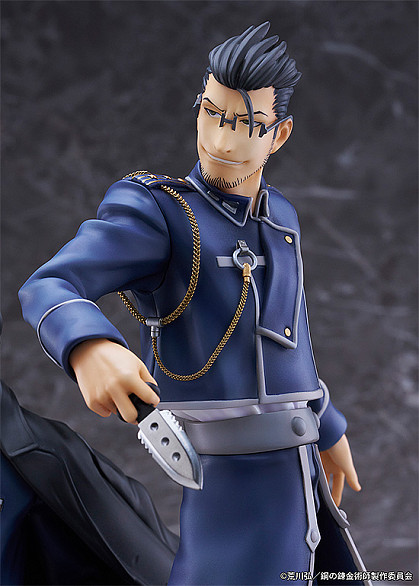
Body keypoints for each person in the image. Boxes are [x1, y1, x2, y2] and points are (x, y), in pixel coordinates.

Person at [19, 22, 370, 586]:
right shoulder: (160, 212)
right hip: (231, 483)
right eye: (211, 113)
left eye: (247, 125)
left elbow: (291, 339)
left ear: (279, 135)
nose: (222, 141)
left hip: (303, 476)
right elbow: (50, 284)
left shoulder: (280, 218)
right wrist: (88, 345)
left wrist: (326, 427)